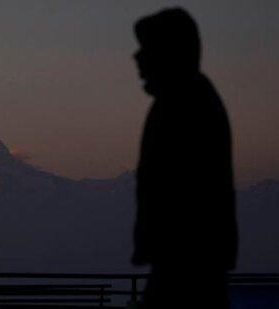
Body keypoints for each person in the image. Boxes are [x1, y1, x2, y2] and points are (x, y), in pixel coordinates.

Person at [131, 8, 238, 309]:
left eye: (146, 49)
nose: (136, 58)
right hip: (192, 259)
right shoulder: (191, 99)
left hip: (184, 260)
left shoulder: (182, 105)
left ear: (168, 53)